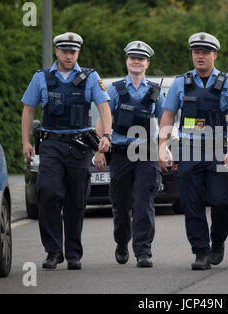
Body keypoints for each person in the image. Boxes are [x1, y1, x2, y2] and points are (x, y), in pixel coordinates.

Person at [21, 32, 112, 270]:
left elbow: (104, 107)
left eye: (73, 52)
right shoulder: (42, 77)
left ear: (78, 53)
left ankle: (73, 253)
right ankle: (53, 252)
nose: (69, 55)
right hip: (50, 144)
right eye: (65, 51)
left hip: (79, 146)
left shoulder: (90, 77)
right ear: (57, 52)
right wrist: (25, 142)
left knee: (76, 201)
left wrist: (106, 136)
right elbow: (28, 110)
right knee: (48, 193)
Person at [159, 32, 228, 270]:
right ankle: (200, 251)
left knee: (222, 202)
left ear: (214, 55)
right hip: (188, 151)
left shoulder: (227, 84)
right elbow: (167, 115)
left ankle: (217, 241)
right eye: (196, 52)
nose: (200, 56)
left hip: (219, 151)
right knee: (192, 203)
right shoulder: (180, 83)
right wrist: (162, 146)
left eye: (205, 52)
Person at [93, 41, 164, 268]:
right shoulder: (114, 89)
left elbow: (166, 120)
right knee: (121, 204)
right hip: (121, 153)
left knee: (144, 202)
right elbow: (102, 122)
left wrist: (165, 147)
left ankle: (144, 251)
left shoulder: (154, 90)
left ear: (147, 63)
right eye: (133, 58)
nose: (136, 61)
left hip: (146, 152)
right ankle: (122, 242)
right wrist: (99, 151)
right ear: (127, 61)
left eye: (140, 58)